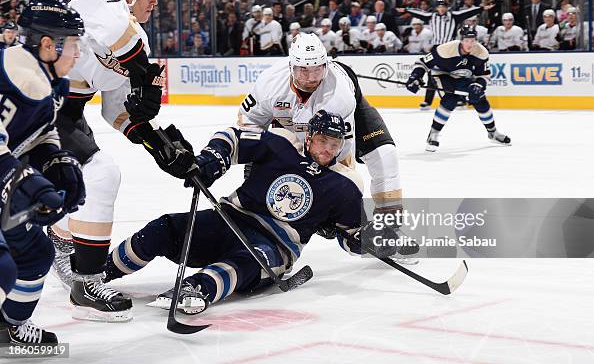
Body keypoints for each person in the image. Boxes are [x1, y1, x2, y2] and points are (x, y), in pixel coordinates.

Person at [103, 111, 399, 313]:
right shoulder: (282, 145)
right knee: (164, 228)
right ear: (309, 137)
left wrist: (368, 239)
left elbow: (350, 237)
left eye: (334, 145)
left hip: (275, 247)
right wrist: (211, 160)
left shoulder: (345, 184)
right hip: (228, 219)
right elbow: (232, 138)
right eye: (322, 141)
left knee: (246, 261)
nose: (327, 150)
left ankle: (197, 290)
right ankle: (100, 271)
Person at [47, 0, 193, 323]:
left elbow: (116, 110)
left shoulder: (136, 38)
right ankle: (87, 280)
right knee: (100, 175)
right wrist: (143, 71)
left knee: (87, 177)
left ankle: (62, 243)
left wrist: (157, 144)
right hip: (32, 105)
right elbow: (113, 32)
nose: (155, 3)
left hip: (64, 115)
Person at [237, 34, 406, 231]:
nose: (311, 79)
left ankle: (390, 229)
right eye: (304, 71)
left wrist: (337, 202)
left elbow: (341, 154)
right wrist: (252, 161)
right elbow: (249, 122)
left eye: (317, 70)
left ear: (326, 66)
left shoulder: (339, 96)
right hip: (292, 124)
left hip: (340, 117)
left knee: (385, 157)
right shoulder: (269, 84)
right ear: (291, 66)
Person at [0, 0, 85, 347]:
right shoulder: (18, 76)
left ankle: (11, 326)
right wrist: (27, 182)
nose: (78, 55)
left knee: (35, 253)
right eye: (74, 45)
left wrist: (54, 160)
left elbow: (41, 132)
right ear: (49, 45)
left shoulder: (46, 79)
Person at [405, 25, 511, 152]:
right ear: (461, 40)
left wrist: (478, 85)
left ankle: (493, 133)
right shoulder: (445, 49)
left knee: (480, 99)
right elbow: (422, 62)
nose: (470, 44)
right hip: (442, 75)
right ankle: (433, 134)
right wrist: (416, 76)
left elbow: (483, 75)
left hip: (463, 77)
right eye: (467, 40)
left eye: (473, 40)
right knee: (450, 99)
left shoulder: (481, 53)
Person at [406, 0, 492, 110]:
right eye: (439, 7)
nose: (441, 9)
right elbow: (419, 13)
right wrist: (406, 10)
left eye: (443, 6)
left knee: (460, 72)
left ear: (447, 7)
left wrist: (482, 8)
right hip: (438, 49)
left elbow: (467, 13)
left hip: (453, 48)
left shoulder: (453, 16)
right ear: (436, 8)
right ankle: (428, 101)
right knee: (432, 74)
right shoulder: (431, 16)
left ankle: (460, 99)